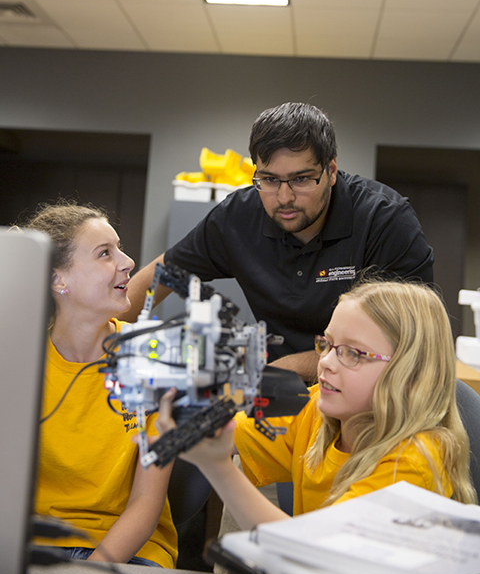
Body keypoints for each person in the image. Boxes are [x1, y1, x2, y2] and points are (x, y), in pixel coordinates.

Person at [121, 102, 434, 381]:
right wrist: (108, 332)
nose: (284, 198)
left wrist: (290, 368)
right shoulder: (238, 217)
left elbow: (406, 341)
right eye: (269, 179)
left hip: (368, 394)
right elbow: (166, 271)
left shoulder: (385, 221)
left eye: (301, 179)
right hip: (277, 392)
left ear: (331, 170)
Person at [155, 280, 477, 530]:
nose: (326, 363)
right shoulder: (315, 409)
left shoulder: (414, 461)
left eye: (352, 353)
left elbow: (319, 555)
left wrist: (220, 469)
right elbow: (227, 430)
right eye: (327, 344)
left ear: (409, 373)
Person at [23, 202, 177, 567]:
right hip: (35, 542)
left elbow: (145, 504)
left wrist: (88, 573)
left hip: (129, 550)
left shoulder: (153, 357)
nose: (128, 262)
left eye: (119, 248)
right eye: (105, 253)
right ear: (58, 280)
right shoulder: (20, 362)